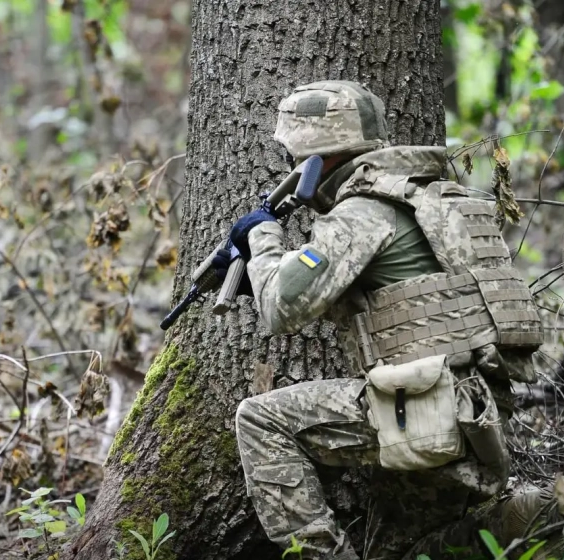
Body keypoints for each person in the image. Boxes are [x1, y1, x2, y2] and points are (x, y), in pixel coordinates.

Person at [219, 81, 546, 560]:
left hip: (427, 408)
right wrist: (267, 276)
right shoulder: (431, 199)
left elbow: (280, 310)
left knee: (261, 419)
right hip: (476, 410)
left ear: (316, 157)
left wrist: (263, 242)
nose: (290, 169)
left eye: (293, 156)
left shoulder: (361, 213)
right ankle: (524, 517)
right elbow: (394, 300)